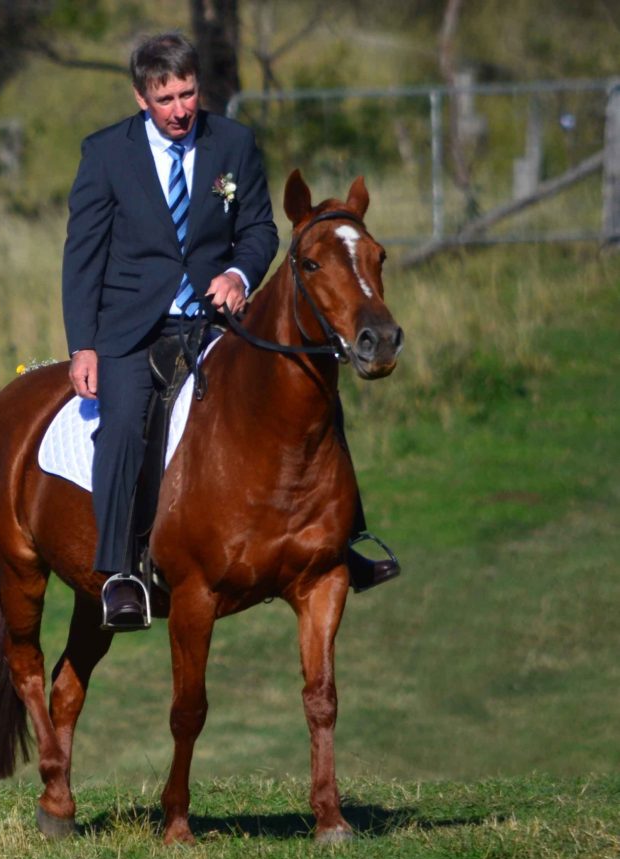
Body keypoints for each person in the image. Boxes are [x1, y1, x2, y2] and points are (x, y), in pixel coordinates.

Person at [61, 33, 395, 632]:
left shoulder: (233, 143)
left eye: (188, 94)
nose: (181, 110)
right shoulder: (105, 154)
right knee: (123, 427)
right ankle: (120, 572)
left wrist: (240, 273)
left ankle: (349, 538)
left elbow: (261, 229)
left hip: (218, 321)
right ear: (142, 98)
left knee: (314, 390)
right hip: (134, 329)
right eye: (165, 100)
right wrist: (83, 345)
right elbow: (82, 256)